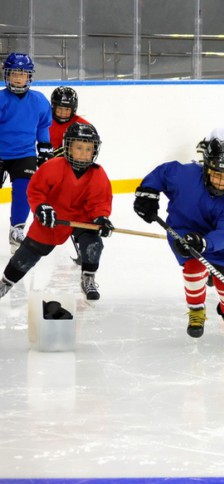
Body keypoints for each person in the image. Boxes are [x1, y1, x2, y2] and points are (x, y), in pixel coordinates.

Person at [133, 139, 224, 338]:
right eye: (217, 174)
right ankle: (196, 311)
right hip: (184, 231)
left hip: (220, 244)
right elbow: (163, 173)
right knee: (193, 269)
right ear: (206, 168)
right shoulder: (186, 176)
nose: (221, 182)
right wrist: (148, 192)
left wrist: (206, 243)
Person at [0, 123, 112, 301]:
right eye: (79, 147)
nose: (84, 152)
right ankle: (6, 282)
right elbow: (35, 190)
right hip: (53, 218)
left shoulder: (98, 174)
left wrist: (101, 218)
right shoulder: (52, 167)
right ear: (68, 147)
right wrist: (41, 207)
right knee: (28, 253)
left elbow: (99, 201)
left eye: (89, 149)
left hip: (82, 218)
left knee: (93, 243)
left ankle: (88, 277)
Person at [0, 52, 53, 251]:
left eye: (21, 74)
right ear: (7, 75)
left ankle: (17, 229)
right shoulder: (1, 99)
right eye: (13, 73)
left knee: (24, 191)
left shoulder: (38, 100)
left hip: (24, 154)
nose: (17, 77)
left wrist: (45, 148)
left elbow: (42, 126)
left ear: (29, 76)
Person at [48, 86, 90, 158]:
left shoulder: (82, 125)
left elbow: (89, 148)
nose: (63, 112)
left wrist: (66, 150)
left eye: (67, 109)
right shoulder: (44, 121)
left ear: (73, 109)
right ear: (53, 107)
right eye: (60, 108)